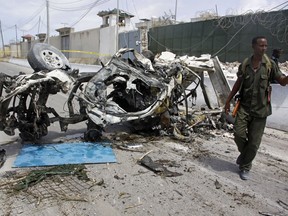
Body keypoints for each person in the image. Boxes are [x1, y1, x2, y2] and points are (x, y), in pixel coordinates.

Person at [224, 36, 288, 180]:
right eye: (260, 45)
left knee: (254, 143)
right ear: (253, 46)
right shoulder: (245, 64)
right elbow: (238, 83)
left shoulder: (270, 65)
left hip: (261, 110)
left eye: (265, 46)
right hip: (244, 108)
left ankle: (245, 166)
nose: (264, 48)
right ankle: (245, 156)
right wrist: (228, 100)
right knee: (238, 134)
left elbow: (282, 82)